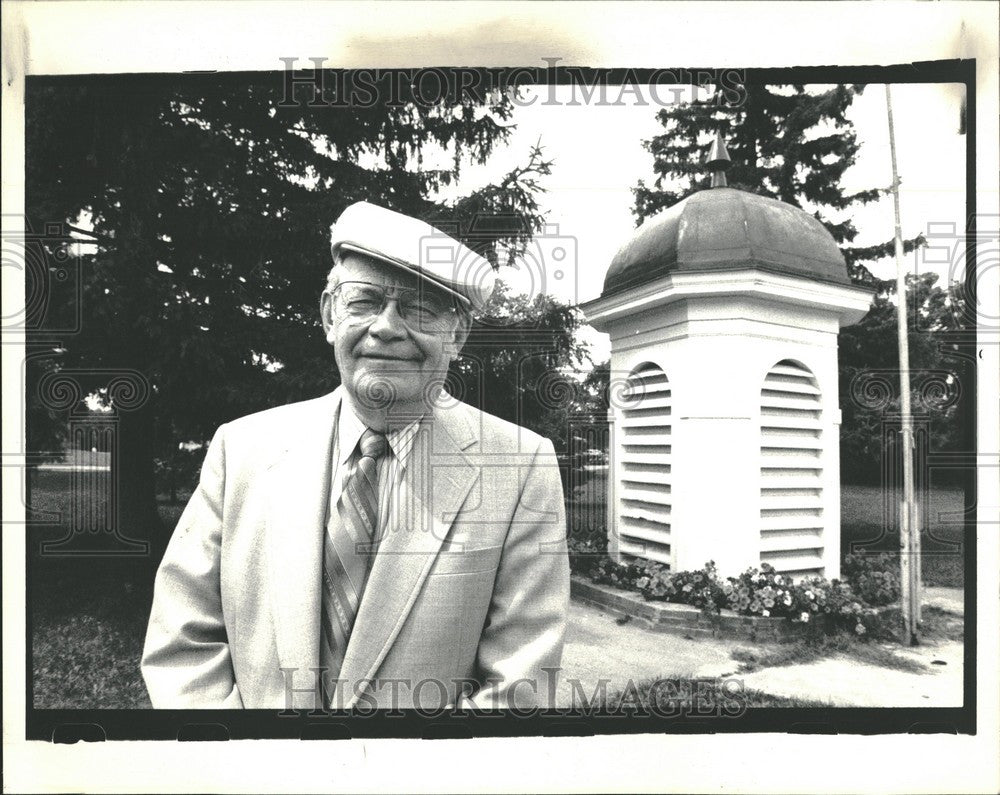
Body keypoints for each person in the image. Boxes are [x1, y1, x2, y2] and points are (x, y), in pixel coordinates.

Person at [141, 202, 570, 710]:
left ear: (457, 335)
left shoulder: (520, 467)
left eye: (420, 309)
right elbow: (182, 641)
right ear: (328, 315)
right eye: (365, 301)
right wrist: (241, 762)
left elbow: (517, 687)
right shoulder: (242, 450)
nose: (387, 327)